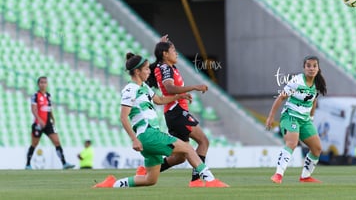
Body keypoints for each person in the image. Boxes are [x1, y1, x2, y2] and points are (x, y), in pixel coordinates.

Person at [93, 53, 228, 188]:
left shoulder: (144, 87)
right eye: (146, 69)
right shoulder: (130, 89)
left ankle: (112, 184)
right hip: (148, 134)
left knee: (150, 180)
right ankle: (210, 181)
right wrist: (134, 139)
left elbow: (160, 100)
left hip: (148, 137)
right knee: (188, 149)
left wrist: (179, 96)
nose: (149, 71)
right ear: (137, 71)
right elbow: (123, 117)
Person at [143, 35, 211, 187]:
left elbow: (161, 69)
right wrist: (194, 87)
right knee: (203, 141)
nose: (176, 52)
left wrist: (161, 46)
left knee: (180, 157)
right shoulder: (165, 68)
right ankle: (196, 180)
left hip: (175, 113)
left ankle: (146, 171)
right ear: (165, 54)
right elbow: (170, 88)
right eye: (173, 50)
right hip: (177, 112)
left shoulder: (166, 66)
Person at [265, 55, 327, 184]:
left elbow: (313, 100)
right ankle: (278, 175)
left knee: (317, 149)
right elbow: (280, 98)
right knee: (292, 143)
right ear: (304, 68)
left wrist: (311, 117)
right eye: (308, 66)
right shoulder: (297, 81)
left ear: (318, 68)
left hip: (305, 120)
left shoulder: (317, 84)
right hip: (290, 116)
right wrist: (271, 117)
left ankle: (305, 177)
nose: (311, 68)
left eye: (314, 66)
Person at [25, 76, 75, 170]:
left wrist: (52, 118)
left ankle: (64, 163)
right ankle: (28, 164)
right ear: (38, 84)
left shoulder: (48, 95)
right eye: (41, 82)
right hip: (38, 124)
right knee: (34, 144)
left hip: (48, 123)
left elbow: (49, 108)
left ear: (47, 84)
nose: (43, 84)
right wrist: (39, 120)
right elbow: (33, 109)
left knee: (57, 141)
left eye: (45, 82)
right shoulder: (35, 95)